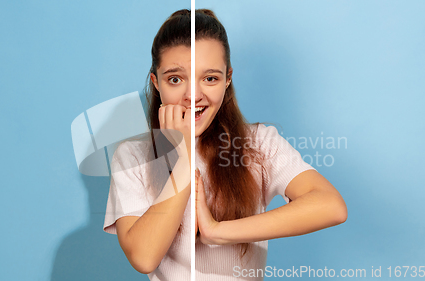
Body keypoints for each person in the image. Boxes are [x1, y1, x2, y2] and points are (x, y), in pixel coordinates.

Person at [104, 8, 347, 281]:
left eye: (210, 78)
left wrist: (216, 232)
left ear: (228, 79)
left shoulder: (258, 143)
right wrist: (181, 159)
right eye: (175, 79)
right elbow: (144, 256)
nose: (193, 96)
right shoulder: (133, 155)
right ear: (156, 82)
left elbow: (331, 206)